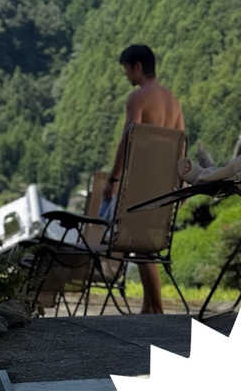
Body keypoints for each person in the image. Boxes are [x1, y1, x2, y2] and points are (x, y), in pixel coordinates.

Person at [101, 44, 185, 314]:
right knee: (145, 244)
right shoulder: (173, 101)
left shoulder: (138, 97)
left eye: (126, 69)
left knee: (140, 244)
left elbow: (130, 138)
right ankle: (149, 307)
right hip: (165, 182)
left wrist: (113, 178)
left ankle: (155, 308)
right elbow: (181, 144)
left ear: (137, 67)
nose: (125, 75)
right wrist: (181, 181)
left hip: (142, 180)